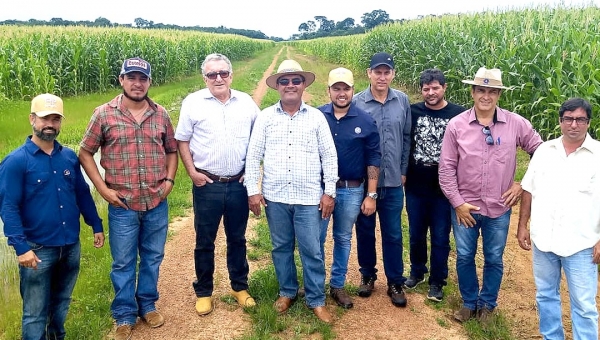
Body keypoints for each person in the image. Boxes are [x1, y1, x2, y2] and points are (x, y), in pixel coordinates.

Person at [79, 57, 178, 340]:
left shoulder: (160, 114)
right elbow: (86, 151)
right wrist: (101, 188)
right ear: (121, 80)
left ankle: (147, 304)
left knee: (152, 257)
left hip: (156, 200)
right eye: (131, 77)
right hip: (121, 203)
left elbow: (171, 150)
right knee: (122, 262)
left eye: (143, 78)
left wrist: (169, 181)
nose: (137, 83)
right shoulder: (103, 114)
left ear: (149, 82)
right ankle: (124, 314)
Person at [438, 67, 543, 323]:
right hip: (466, 208)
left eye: (492, 91)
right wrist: (458, 203)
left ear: (498, 95)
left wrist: (522, 183)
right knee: (464, 256)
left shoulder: (515, 123)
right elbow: (446, 168)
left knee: (494, 258)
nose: (486, 96)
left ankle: (487, 305)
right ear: (472, 92)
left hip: (499, 207)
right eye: (481, 90)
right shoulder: (457, 125)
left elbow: (541, 152)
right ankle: (469, 302)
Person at [0, 93, 104, 340]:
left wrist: (96, 224)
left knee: (61, 304)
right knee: (35, 313)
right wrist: (21, 247)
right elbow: (8, 207)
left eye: (56, 119)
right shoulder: (16, 162)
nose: (50, 124)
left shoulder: (68, 156)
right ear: (32, 119)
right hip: (37, 250)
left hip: (70, 246)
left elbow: (82, 194)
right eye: (45, 118)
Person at [244, 59, 338, 323]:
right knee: (281, 247)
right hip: (276, 197)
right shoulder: (265, 118)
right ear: (277, 87)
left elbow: (329, 157)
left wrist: (329, 191)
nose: (290, 85)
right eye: (284, 81)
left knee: (312, 249)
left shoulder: (317, 118)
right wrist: (253, 190)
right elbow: (254, 156)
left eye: (295, 80)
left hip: (309, 198)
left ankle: (316, 299)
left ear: (303, 85)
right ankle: (287, 291)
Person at [175, 53, 260, 316]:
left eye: (223, 73)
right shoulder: (193, 103)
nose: (218, 78)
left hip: (237, 183)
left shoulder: (246, 103)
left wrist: (252, 171)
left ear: (231, 75)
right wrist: (192, 172)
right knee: (204, 240)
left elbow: (259, 139)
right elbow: (182, 140)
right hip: (207, 184)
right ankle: (204, 291)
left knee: (237, 238)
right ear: (205, 78)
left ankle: (239, 286)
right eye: (212, 74)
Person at [517, 98, 600, 340]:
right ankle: (552, 337)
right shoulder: (544, 151)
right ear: (560, 121)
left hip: (581, 244)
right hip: (544, 240)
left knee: (584, 306)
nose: (574, 124)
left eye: (580, 119)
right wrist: (522, 225)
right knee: (545, 295)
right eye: (569, 119)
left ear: (588, 122)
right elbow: (528, 189)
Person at [317, 67, 381, 309]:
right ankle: (316, 283)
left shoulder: (365, 120)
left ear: (353, 90)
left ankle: (337, 285)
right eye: (336, 88)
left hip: (352, 189)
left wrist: (371, 195)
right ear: (329, 90)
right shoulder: (317, 116)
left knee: (343, 238)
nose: (341, 93)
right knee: (317, 237)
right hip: (322, 189)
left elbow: (374, 158)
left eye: (346, 88)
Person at [352, 52, 411, 307]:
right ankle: (367, 275)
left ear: (393, 74)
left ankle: (395, 281)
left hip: (394, 182)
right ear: (369, 73)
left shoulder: (403, 101)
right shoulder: (357, 103)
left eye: (387, 72)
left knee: (393, 234)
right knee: (365, 231)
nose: (382, 77)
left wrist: (403, 169)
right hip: (365, 182)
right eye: (378, 72)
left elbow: (407, 137)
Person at [404, 69, 466, 302]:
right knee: (416, 233)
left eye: (435, 88)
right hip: (415, 185)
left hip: (444, 190)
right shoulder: (413, 111)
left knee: (440, 236)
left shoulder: (458, 115)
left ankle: (437, 281)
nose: (430, 92)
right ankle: (417, 271)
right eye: (426, 89)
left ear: (444, 88)